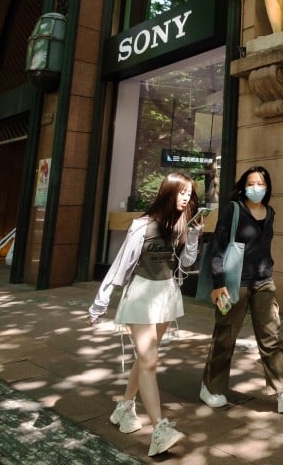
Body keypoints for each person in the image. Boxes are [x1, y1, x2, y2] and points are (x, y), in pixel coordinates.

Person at [87, 171, 202, 457]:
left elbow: (186, 263)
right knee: (149, 360)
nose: (186, 197)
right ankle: (159, 429)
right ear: (168, 193)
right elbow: (121, 265)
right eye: (182, 192)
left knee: (145, 358)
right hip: (140, 294)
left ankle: (125, 408)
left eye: (190, 193)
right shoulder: (142, 226)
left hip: (165, 294)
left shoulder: (181, 223)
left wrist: (194, 236)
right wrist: (100, 302)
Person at [199, 166, 283, 413]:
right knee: (225, 337)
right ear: (243, 185)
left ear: (267, 186)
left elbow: (263, 247)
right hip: (234, 283)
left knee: (272, 336)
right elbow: (217, 246)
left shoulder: (269, 213)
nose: (256, 188)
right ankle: (211, 386)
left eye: (261, 183)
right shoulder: (233, 209)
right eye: (251, 183)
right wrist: (218, 284)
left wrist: (268, 269)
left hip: (263, 281)